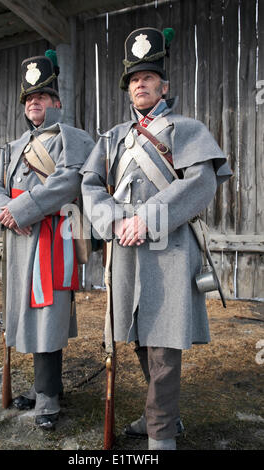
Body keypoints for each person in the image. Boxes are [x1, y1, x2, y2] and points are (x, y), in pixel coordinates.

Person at [80, 27, 232, 450]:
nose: (140, 84)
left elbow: (201, 184)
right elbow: (90, 187)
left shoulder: (185, 129)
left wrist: (146, 219)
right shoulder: (112, 138)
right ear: (128, 90)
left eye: (148, 77)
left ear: (164, 85)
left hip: (169, 249)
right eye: (134, 79)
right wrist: (112, 221)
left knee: (164, 344)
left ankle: (161, 436)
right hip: (125, 250)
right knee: (137, 337)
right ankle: (162, 416)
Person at [0, 51, 94, 430]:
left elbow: (69, 182)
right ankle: (41, 386)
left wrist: (22, 210)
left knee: (47, 312)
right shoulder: (13, 148)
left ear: (56, 102)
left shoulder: (73, 138)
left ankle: (48, 397)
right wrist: (5, 212)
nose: (34, 101)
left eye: (42, 96)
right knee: (23, 313)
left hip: (51, 238)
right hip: (18, 241)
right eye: (29, 97)